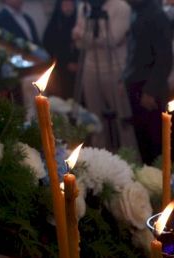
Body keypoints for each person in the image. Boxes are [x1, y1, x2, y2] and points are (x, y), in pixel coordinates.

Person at [73, 0, 136, 151]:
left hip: (114, 69)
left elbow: (113, 39)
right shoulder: (84, 6)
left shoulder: (122, 7)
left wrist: (84, 35)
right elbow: (79, 43)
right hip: (89, 68)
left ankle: (131, 159)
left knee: (123, 121)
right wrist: (88, 38)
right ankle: (100, 157)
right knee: (95, 121)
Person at [123, 0, 173, 164]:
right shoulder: (137, 11)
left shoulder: (156, 15)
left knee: (154, 144)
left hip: (149, 88)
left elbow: (164, 58)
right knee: (142, 142)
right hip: (137, 84)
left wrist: (150, 91)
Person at [43, 0, 79, 99]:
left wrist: (78, 64)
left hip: (81, 69)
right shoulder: (55, 24)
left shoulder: (79, 22)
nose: (68, 7)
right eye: (65, 4)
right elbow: (49, 46)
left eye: (70, 4)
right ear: (60, 6)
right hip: (62, 70)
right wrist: (66, 63)